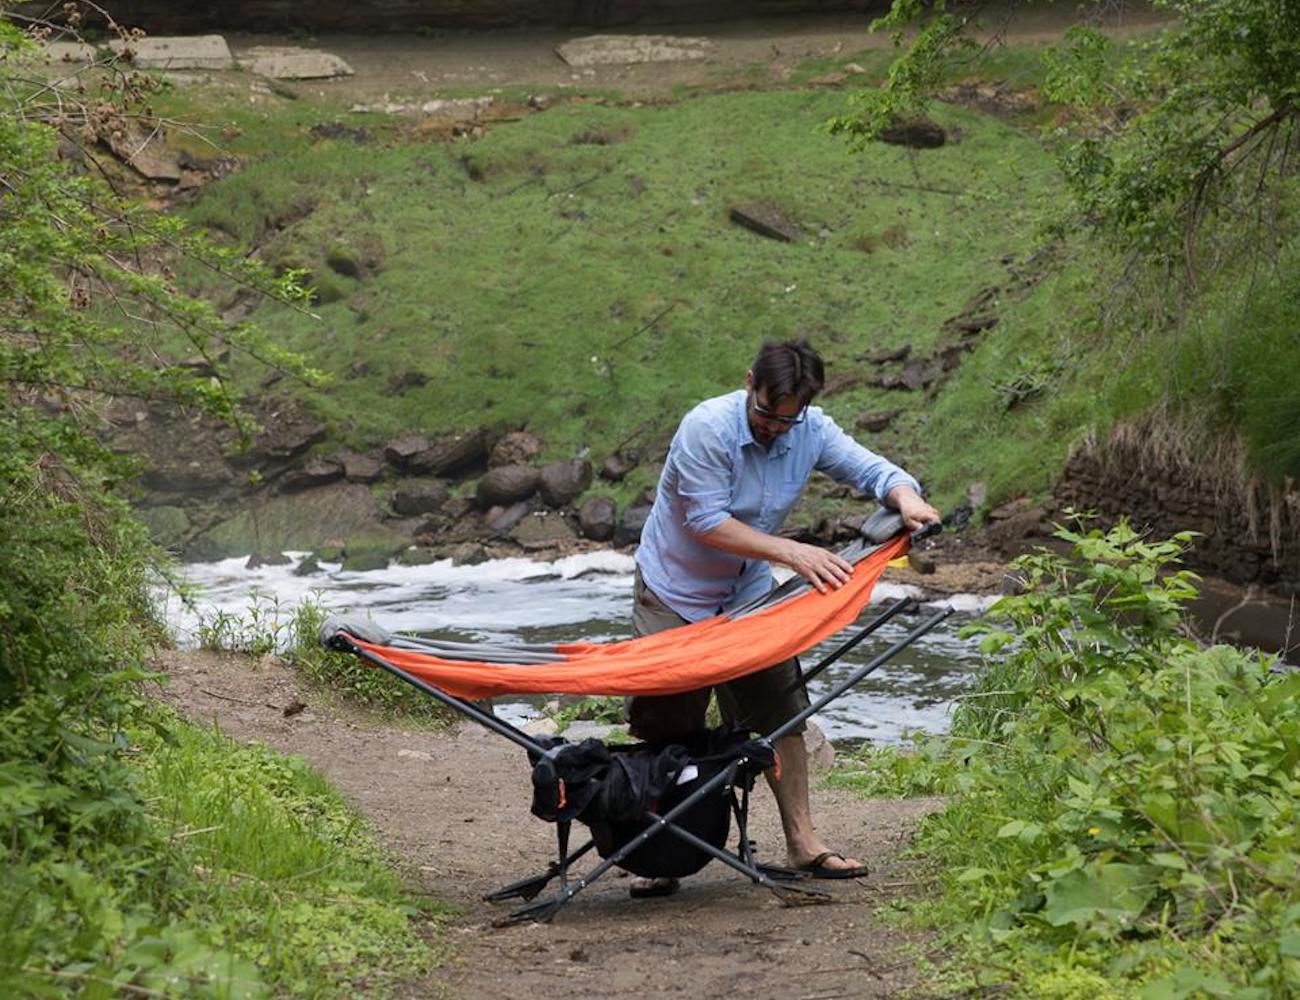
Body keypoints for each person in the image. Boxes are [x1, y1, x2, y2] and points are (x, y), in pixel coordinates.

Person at [627, 338, 940, 898]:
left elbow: (875, 471)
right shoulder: (707, 428)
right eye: (766, 413)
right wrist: (793, 553)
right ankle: (665, 851)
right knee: (666, 720)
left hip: (748, 596)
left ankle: (801, 841)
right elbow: (705, 521)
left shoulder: (810, 429)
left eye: (786, 419)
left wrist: (905, 499)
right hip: (674, 591)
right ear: (750, 383)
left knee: (781, 709)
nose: (774, 427)